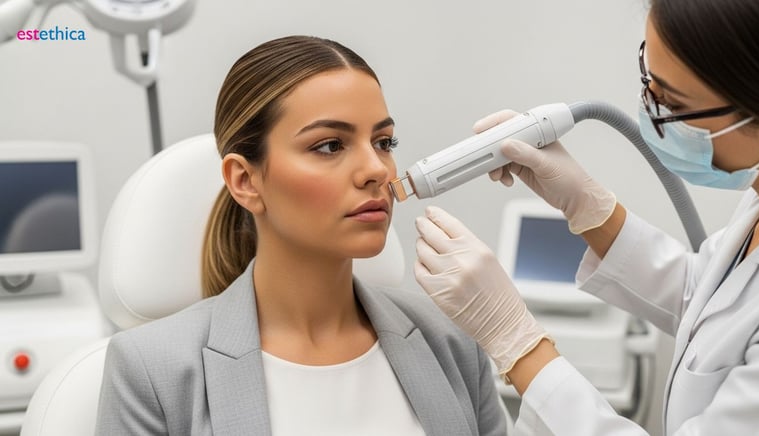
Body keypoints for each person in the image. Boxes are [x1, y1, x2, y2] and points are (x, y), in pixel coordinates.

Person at [414, 1, 759, 435]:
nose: (652, 111)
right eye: (649, 81)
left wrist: (516, 342)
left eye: (674, 103)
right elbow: (707, 297)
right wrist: (589, 208)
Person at [95, 35, 507, 435]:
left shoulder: (451, 339)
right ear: (245, 181)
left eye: (384, 142)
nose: (378, 170)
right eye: (329, 145)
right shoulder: (151, 371)